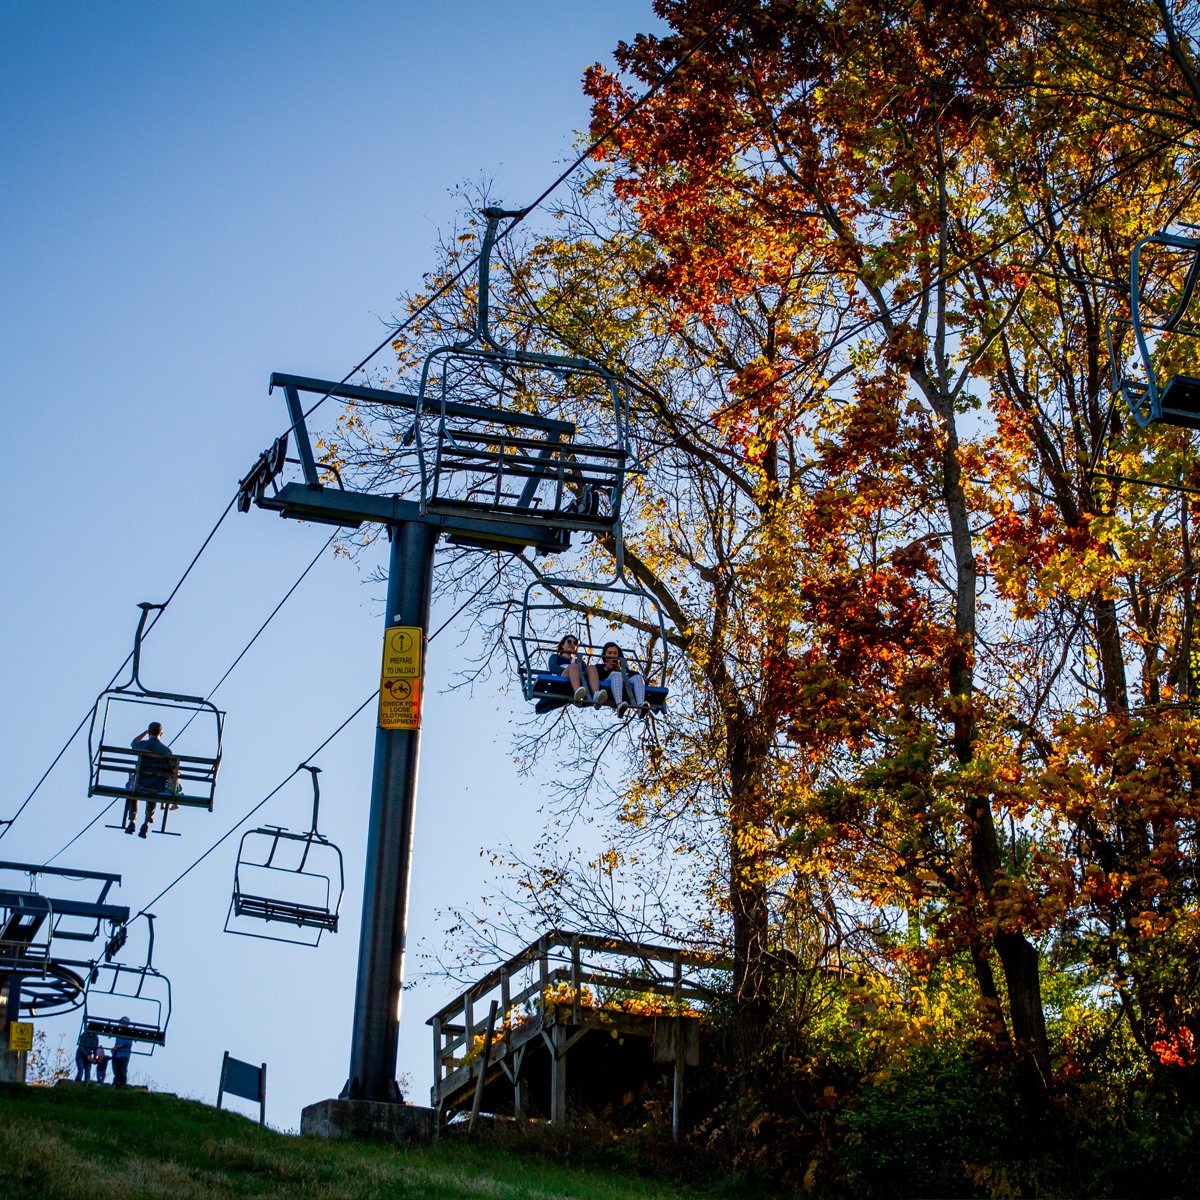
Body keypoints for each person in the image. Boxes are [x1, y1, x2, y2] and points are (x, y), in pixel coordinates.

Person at [125, 722, 179, 838]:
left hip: (139, 783)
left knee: (132, 790)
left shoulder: (142, 745)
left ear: (149, 732)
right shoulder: (166, 751)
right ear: (162, 733)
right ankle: (146, 823)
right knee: (153, 791)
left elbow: (133, 743)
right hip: (156, 786)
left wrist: (145, 732)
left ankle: (132, 820)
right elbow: (173, 769)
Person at [596, 642, 647, 717]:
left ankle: (640, 705)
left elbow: (632, 674)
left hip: (624, 680)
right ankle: (619, 704)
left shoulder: (624, 668)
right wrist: (606, 668)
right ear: (605, 655)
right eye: (609, 653)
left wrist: (620, 669)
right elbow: (595, 677)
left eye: (615, 653)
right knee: (616, 675)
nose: (612, 655)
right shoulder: (600, 667)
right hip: (607, 682)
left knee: (638, 677)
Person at [548, 634, 600, 705]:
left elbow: (585, 671)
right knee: (573, 667)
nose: (572, 644)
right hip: (561, 679)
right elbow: (553, 668)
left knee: (591, 668)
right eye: (569, 642)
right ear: (563, 645)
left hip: (578, 678)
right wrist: (570, 671)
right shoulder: (556, 657)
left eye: (575, 643)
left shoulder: (579, 661)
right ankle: (577, 693)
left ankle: (596, 695)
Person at [111, 1017, 133, 1088]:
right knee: (116, 1070)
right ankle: (116, 1083)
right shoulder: (119, 1033)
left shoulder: (129, 1033)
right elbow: (117, 1043)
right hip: (117, 1055)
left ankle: (123, 1084)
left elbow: (127, 1042)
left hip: (124, 1055)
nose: (122, 1024)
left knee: (122, 1070)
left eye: (124, 1023)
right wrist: (114, 1049)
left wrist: (117, 1047)